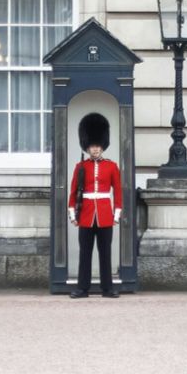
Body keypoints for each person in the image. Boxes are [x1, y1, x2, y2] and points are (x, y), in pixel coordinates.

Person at [68, 113, 122, 298]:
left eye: (98, 145)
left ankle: (107, 288)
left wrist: (116, 215)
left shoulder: (111, 166)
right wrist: (73, 214)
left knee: (105, 253)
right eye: (92, 146)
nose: (95, 149)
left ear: (103, 146)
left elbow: (118, 191)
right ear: (87, 147)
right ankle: (83, 288)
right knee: (85, 253)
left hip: (106, 214)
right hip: (86, 214)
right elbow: (74, 192)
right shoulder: (80, 166)